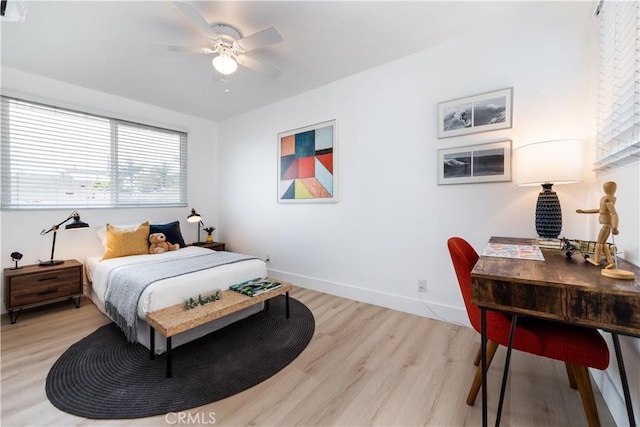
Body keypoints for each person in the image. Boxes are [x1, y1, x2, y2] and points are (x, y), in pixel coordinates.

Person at [576, 181, 618, 268]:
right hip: (607, 226)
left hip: (606, 226)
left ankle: (597, 260)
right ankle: (610, 261)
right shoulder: (608, 199)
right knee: (603, 243)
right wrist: (584, 211)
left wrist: (615, 227)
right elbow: (599, 210)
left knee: (599, 243)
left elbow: (614, 214)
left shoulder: (607, 200)